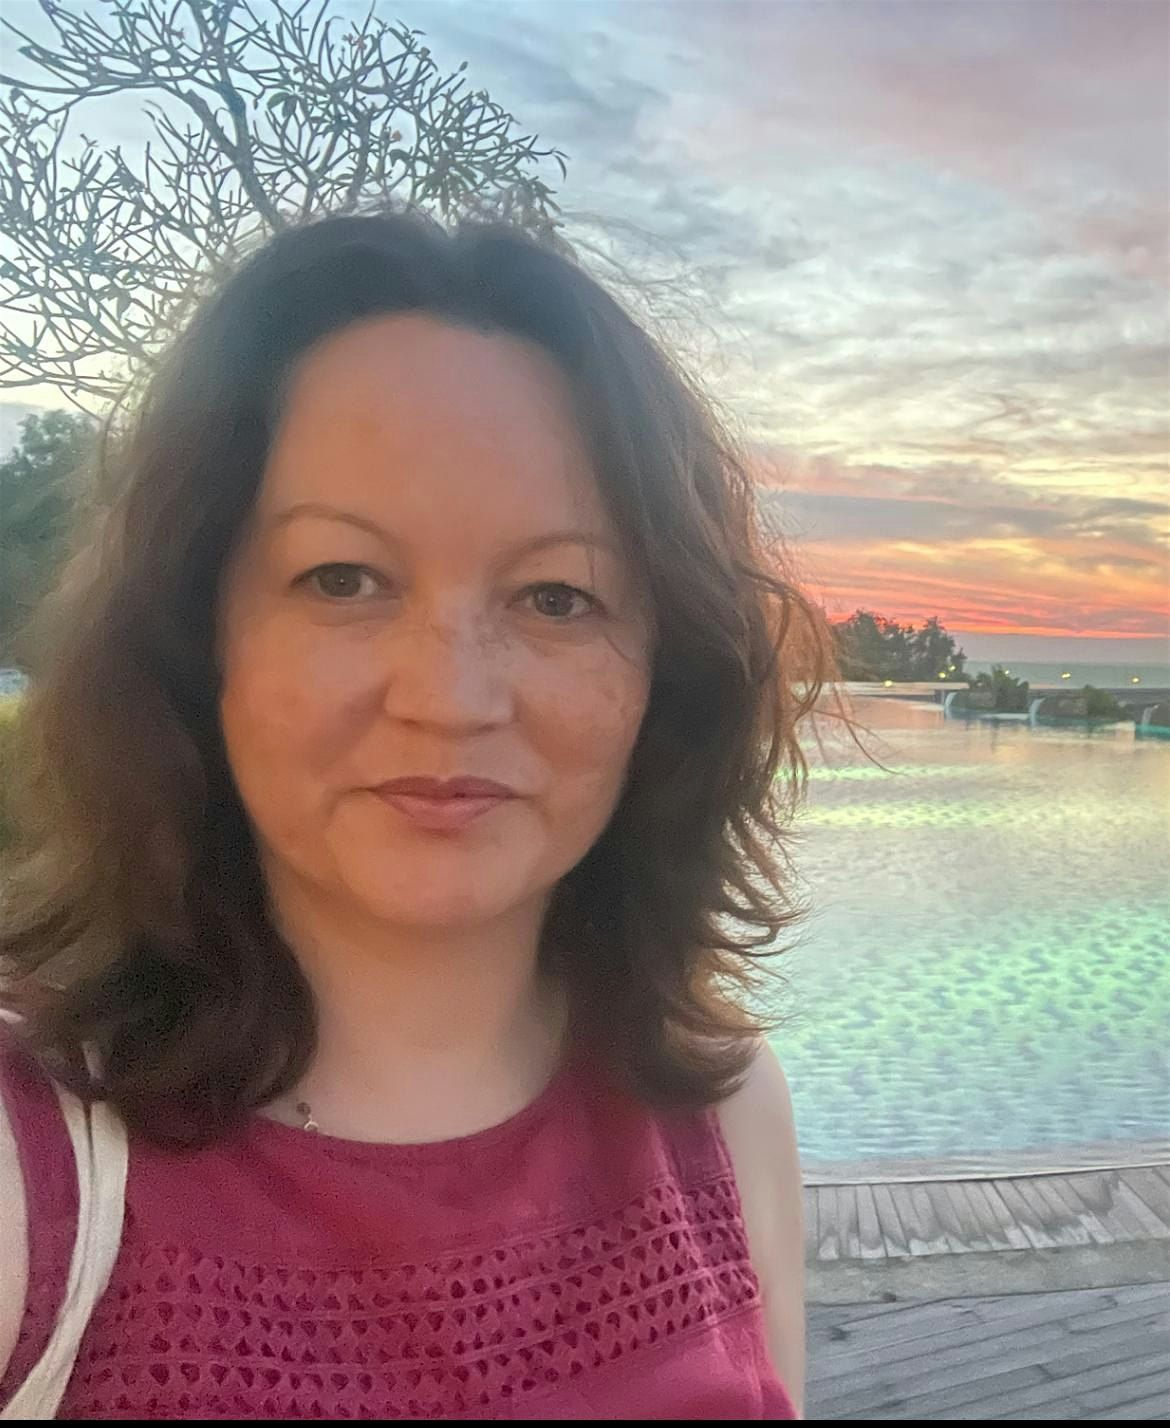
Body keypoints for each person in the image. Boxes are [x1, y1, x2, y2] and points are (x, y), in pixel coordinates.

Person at [0, 202, 859, 1419]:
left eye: (556, 597)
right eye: (343, 579)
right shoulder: (33, 1172)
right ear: (201, 638)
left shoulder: (723, 1112)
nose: (451, 699)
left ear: (666, 673)